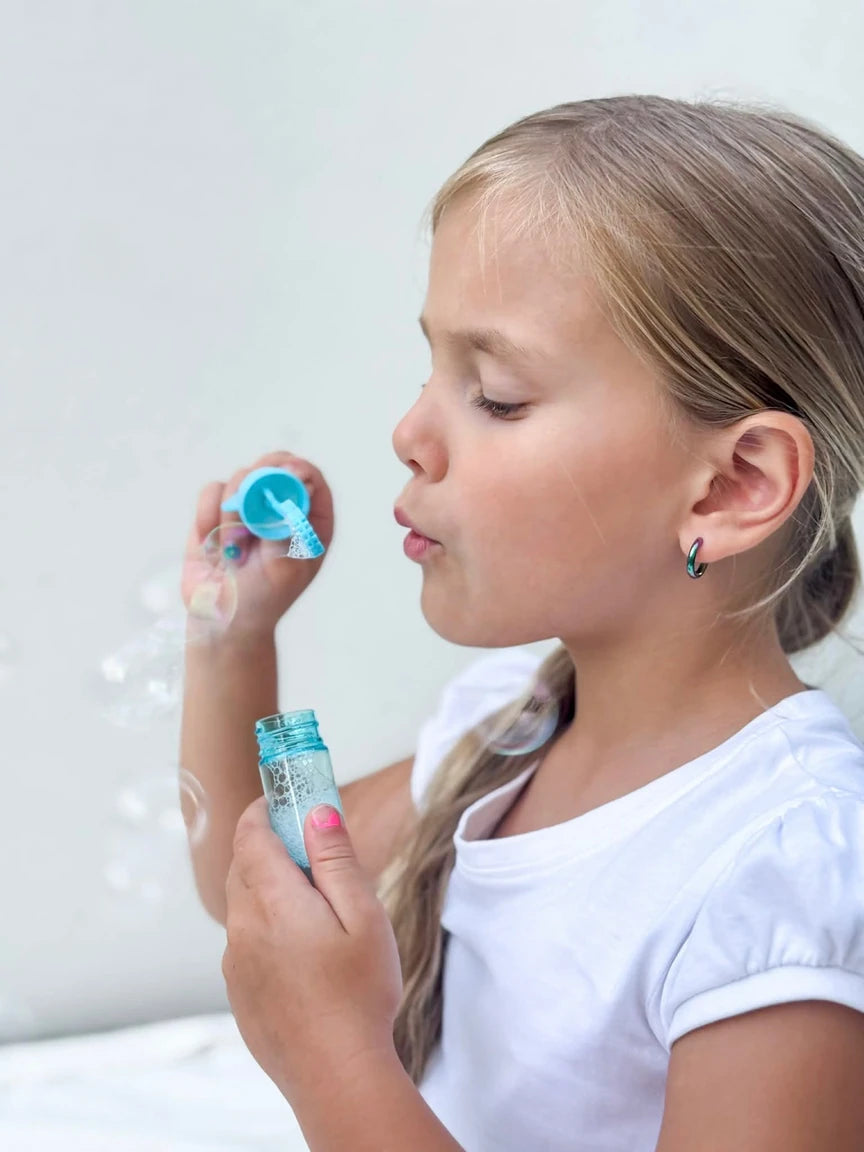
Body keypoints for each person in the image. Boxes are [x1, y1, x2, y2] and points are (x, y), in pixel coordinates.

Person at [180, 95, 864, 1151]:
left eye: (494, 395)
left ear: (732, 487)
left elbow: (313, 1008)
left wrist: (333, 1062)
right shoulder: (511, 720)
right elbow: (266, 896)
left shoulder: (785, 875)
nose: (409, 432)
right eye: (430, 371)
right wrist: (236, 642)